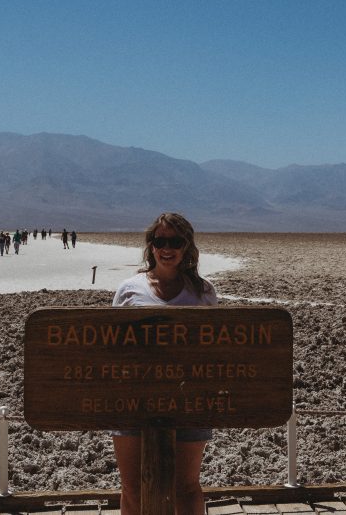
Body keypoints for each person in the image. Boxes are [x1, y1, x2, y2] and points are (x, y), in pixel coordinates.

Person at [111, 212, 217, 515]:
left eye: (175, 241)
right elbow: (113, 347)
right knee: (132, 487)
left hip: (190, 401)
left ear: (187, 247)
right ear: (151, 245)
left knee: (186, 487)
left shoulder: (203, 292)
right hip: (132, 401)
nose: (166, 248)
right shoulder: (129, 290)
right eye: (160, 241)